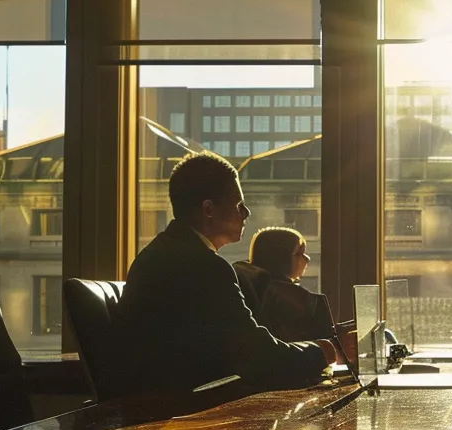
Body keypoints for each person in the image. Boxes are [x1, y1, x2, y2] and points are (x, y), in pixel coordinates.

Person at [119, 153, 346, 394]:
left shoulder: (163, 255)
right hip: (175, 415)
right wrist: (329, 350)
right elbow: (260, 359)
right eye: (239, 205)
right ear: (209, 209)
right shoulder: (203, 267)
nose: (246, 213)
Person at [233, 227, 335, 344]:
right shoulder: (290, 300)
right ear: (279, 259)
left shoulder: (250, 285)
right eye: (298, 253)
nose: (307, 258)